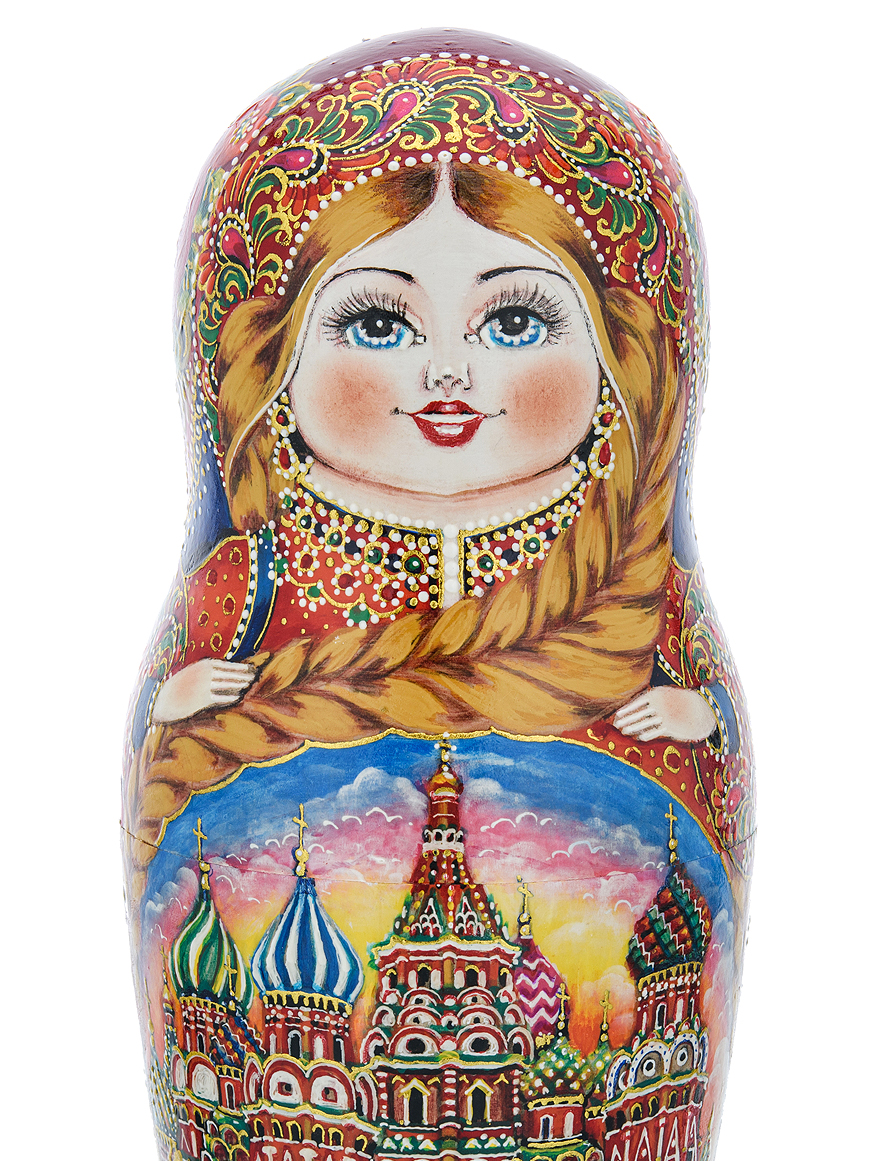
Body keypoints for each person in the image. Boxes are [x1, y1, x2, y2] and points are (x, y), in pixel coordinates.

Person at [123, 61, 751, 926]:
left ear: (618, 356)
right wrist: (180, 706)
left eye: (514, 323)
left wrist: (696, 715)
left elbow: (694, 746)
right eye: (380, 325)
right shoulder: (252, 577)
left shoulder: (636, 575)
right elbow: (174, 765)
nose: (449, 371)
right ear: (273, 361)